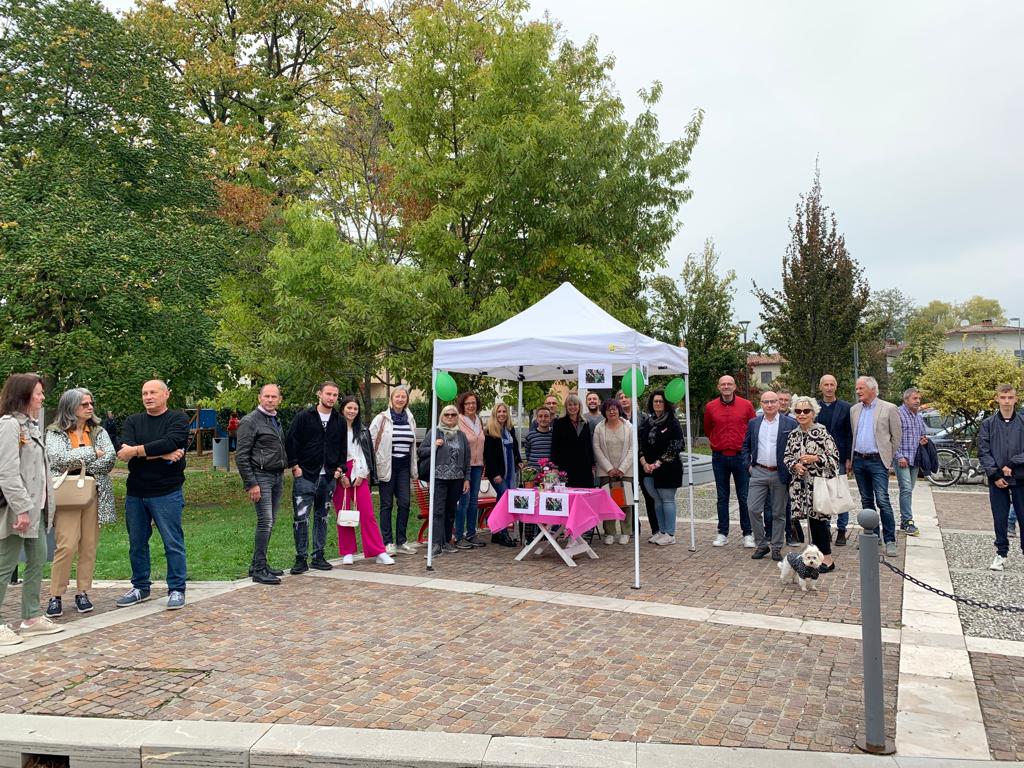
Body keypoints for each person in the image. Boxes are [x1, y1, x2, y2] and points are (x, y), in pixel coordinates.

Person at [115, 380, 190, 610]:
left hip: (167, 492)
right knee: (137, 543)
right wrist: (161, 454)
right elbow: (123, 452)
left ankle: (177, 589)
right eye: (144, 393)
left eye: (153, 392)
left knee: (172, 542)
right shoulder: (133, 421)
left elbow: (171, 442)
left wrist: (138, 451)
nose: (148, 396)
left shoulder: (177, 419)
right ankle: (140, 587)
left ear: (166, 394)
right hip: (136, 492)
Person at [0, 374, 63, 644]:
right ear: (24, 395)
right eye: (38, 393)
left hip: (36, 509)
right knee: (5, 564)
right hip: (17, 510)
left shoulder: (33, 426)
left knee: (37, 560)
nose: (42, 397)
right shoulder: (9, 425)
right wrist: (22, 509)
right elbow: (8, 473)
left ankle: (31, 616)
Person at [45, 388, 116, 616]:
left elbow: (109, 459)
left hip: (93, 492)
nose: (90, 407)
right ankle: (55, 595)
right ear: (70, 407)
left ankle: (82, 592)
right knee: (66, 544)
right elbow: (57, 459)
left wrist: (82, 461)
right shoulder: (55, 433)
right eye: (84, 404)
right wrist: (91, 454)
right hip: (67, 494)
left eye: (91, 403)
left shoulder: (98, 430)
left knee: (88, 545)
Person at [285, 381, 343, 574]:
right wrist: (294, 465)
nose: (331, 398)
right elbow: (291, 441)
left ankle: (318, 555)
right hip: (306, 476)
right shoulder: (304, 417)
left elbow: (342, 448)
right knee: (301, 517)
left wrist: (339, 469)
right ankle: (300, 558)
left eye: (335, 395)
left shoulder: (339, 420)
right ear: (319, 394)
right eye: (328, 394)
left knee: (322, 516)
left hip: (328, 477)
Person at [235, 384, 288, 585]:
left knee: (271, 521)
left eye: (274, 397)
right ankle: (259, 569)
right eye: (266, 396)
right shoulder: (250, 421)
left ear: (280, 399)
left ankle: (259, 563)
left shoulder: (275, 419)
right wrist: (251, 483)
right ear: (259, 398)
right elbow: (241, 456)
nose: (270, 400)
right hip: (261, 477)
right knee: (265, 521)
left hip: (277, 476)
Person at [334, 396, 392, 566]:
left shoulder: (363, 430)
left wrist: (362, 474)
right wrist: (341, 475)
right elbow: (330, 453)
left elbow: (367, 455)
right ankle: (347, 551)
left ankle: (378, 551)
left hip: (359, 471)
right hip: (340, 472)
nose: (352, 411)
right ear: (342, 408)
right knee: (343, 513)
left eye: (355, 409)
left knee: (367, 514)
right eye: (349, 408)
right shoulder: (335, 428)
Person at [784, 395, 840, 572]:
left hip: (819, 485)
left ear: (813, 413)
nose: (802, 414)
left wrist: (816, 458)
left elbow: (835, 458)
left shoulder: (822, 433)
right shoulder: (793, 434)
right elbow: (787, 457)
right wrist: (795, 466)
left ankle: (828, 560)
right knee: (809, 521)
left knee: (819, 522)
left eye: (806, 411)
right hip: (800, 486)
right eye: (798, 411)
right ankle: (814, 559)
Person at [742, 391, 797, 562]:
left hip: (780, 473)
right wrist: (748, 465)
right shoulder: (754, 423)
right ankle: (761, 544)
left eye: (773, 401)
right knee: (752, 508)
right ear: (761, 404)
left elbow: (795, 447)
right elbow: (745, 445)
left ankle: (777, 547)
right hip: (758, 471)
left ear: (779, 404)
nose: (770, 404)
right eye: (766, 402)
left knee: (778, 513)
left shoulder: (790, 423)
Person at [850, 375, 902, 557]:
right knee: (866, 500)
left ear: (873, 389)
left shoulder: (889, 408)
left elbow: (896, 437)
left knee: (883, 500)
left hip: (877, 461)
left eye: (861, 388)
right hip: (859, 460)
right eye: (857, 388)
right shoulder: (854, 410)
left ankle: (890, 540)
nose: (857, 391)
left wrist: (886, 458)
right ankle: (872, 536)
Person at [704, 375, 756, 548]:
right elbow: (708, 429)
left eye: (729, 384)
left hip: (741, 457)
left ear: (735, 387)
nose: (726, 386)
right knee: (722, 497)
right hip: (719, 457)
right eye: (723, 384)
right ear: (718, 387)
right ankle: (722, 533)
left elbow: (753, 428)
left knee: (744, 497)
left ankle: (748, 534)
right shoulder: (710, 407)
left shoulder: (746, 405)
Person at [978, 384, 1024, 572]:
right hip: (996, 480)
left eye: (1010, 397)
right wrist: (995, 473)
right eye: (1003, 397)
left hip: (1020, 476)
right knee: (1000, 518)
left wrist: (1012, 464)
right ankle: (1001, 553)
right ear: (997, 398)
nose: (1006, 401)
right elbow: (984, 450)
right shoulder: (988, 424)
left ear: (1016, 399)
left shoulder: (1022, 421)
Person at [370, 386, 418, 556]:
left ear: (406, 400)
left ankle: (402, 540)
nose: (400, 399)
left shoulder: (410, 419)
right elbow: (370, 441)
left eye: (403, 397)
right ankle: (387, 541)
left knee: (404, 503)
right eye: (397, 396)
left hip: (404, 466)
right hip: (387, 465)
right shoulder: (381, 419)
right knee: (386, 504)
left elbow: (412, 445)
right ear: (391, 398)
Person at [419, 406, 470, 558]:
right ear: (441, 416)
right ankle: (435, 543)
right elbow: (421, 451)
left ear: (456, 417)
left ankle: (446, 540)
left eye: (453, 414)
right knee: (438, 511)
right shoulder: (435, 432)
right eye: (446, 414)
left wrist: (467, 478)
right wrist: (434, 445)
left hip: (457, 479)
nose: (450, 417)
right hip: (439, 478)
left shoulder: (461, 435)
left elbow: (467, 459)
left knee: (450, 511)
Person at [640, 390, 684, 545]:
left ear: (666, 404)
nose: (657, 404)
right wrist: (644, 462)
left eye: (660, 401)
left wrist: (658, 463)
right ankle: (661, 531)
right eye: (655, 401)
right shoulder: (647, 422)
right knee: (657, 501)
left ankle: (670, 534)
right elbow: (641, 444)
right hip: (649, 470)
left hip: (668, 469)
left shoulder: (672, 422)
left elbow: (676, 446)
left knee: (667, 500)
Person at [816, 374, 853, 545]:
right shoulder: (814, 407)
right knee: (823, 495)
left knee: (840, 494)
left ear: (836, 386)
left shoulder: (846, 408)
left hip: (839, 457)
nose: (829, 388)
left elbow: (849, 434)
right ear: (820, 387)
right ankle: (825, 528)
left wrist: (848, 458)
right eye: (826, 385)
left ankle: (842, 530)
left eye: (832, 384)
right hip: (819, 458)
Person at [593, 398, 633, 545]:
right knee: (608, 502)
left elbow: (632, 449)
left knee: (625, 502)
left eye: (615, 408)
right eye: (609, 409)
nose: (612, 411)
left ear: (619, 410)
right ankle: (609, 532)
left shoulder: (629, 427)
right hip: (606, 472)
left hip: (626, 471)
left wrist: (622, 469)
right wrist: (609, 468)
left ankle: (626, 531)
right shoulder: (599, 428)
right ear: (604, 411)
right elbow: (596, 448)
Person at [619, 389, 657, 538]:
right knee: (628, 497)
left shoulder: (644, 417)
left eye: (626, 397)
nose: (623, 400)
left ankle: (656, 529)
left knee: (649, 496)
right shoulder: (616, 418)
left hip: (642, 462)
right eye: (620, 398)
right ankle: (634, 528)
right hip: (625, 464)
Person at [483, 402, 522, 546]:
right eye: (499, 412)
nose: (502, 414)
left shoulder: (509, 429)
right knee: (505, 498)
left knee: (502, 500)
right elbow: (489, 456)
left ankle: (496, 531)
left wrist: (518, 460)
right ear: (495, 413)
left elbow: (515, 447)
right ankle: (503, 533)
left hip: (510, 471)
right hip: (497, 473)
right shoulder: (489, 431)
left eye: (504, 412)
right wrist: (495, 474)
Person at [895, 387, 929, 538]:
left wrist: (923, 440)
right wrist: (899, 456)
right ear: (906, 400)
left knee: (909, 489)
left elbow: (923, 433)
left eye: (919, 399)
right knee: (906, 489)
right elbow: (892, 438)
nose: (918, 401)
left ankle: (904, 519)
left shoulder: (918, 416)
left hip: (915, 459)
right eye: (914, 399)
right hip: (902, 459)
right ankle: (908, 521)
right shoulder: (898, 414)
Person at [454, 391, 486, 550]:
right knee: (464, 501)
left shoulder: (479, 420)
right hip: (463, 468)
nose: (471, 406)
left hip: (478, 466)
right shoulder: (458, 420)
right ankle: (458, 536)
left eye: (473, 403)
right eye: (467, 403)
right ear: (463, 405)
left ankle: (471, 533)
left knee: (474, 501)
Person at [551, 393, 594, 488]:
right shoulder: (559, 423)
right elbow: (555, 446)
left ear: (579, 406)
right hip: (566, 466)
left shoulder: (585, 422)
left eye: (575, 404)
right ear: (566, 406)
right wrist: (554, 466)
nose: (572, 407)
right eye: (570, 405)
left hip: (584, 466)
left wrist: (592, 465)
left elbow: (589, 445)